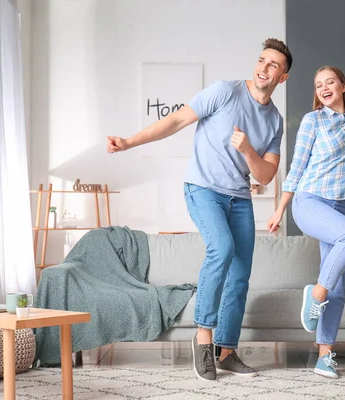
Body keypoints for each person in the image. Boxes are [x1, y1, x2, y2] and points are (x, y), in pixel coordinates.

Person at [107, 38, 293, 381]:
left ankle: (226, 352)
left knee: (240, 275)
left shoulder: (275, 121)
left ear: (282, 77)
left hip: (240, 198)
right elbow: (177, 120)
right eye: (261, 60)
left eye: (273, 65)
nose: (264, 68)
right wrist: (130, 142)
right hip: (203, 189)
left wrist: (249, 149)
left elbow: (265, 174)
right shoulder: (225, 91)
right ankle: (203, 336)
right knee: (221, 248)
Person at [267, 6, 345, 379]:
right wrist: (280, 208)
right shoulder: (312, 121)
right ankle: (316, 294)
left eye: (329, 82)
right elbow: (297, 167)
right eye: (318, 84)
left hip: (341, 205)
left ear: (342, 87)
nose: (323, 88)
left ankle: (325, 355)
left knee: (338, 285)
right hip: (310, 203)